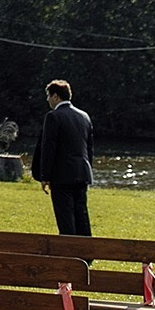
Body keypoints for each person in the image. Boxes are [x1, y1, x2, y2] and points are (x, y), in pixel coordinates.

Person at [33, 78, 94, 236]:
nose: (47, 100)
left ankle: (69, 254)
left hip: (62, 175)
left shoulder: (54, 117)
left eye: (48, 96)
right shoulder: (84, 116)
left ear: (55, 96)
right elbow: (89, 148)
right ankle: (86, 252)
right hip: (82, 173)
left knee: (65, 217)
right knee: (81, 215)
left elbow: (49, 148)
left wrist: (45, 176)